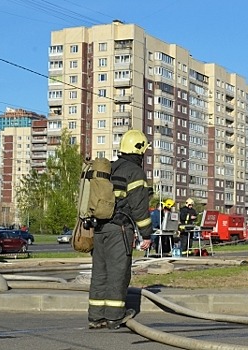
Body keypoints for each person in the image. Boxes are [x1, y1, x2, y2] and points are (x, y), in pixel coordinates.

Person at [88, 129, 153, 330]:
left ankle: (96, 316)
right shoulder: (134, 172)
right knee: (118, 272)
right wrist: (147, 234)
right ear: (139, 149)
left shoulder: (110, 168)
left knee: (100, 272)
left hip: (99, 228)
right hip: (119, 230)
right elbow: (139, 206)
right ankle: (115, 316)